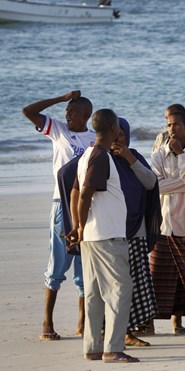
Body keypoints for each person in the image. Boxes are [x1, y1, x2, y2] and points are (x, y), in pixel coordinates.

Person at [22, 90, 96, 341]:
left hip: (87, 206)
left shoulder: (94, 139)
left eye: (72, 111)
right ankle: (47, 322)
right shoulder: (59, 131)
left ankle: (83, 321)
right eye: (66, 111)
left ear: (85, 115)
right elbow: (29, 111)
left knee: (84, 267)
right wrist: (61, 99)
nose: (67, 115)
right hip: (61, 205)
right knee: (57, 265)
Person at [66, 109, 138, 363]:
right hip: (106, 235)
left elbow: (75, 192)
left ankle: (93, 348)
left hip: (92, 235)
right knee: (121, 289)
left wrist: (78, 226)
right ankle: (113, 348)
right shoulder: (100, 156)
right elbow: (84, 193)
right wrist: (80, 225)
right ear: (114, 128)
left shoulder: (87, 155)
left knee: (95, 293)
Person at [148, 111, 185, 336]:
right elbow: (157, 187)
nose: (172, 129)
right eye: (169, 125)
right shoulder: (158, 154)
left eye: (177, 125)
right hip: (164, 225)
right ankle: (148, 322)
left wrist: (181, 157)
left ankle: (182, 322)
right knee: (158, 276)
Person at [111, 118, 161, 346]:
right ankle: (111, 331)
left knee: (134, 283)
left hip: (136, 230)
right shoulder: (103, 159)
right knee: (114, 284)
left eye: (121, 135)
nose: (117, 139)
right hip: (110, 231)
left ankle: (129, 331)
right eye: (114, 134)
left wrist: (130, 159)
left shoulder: (135, 157)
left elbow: (151, 182)